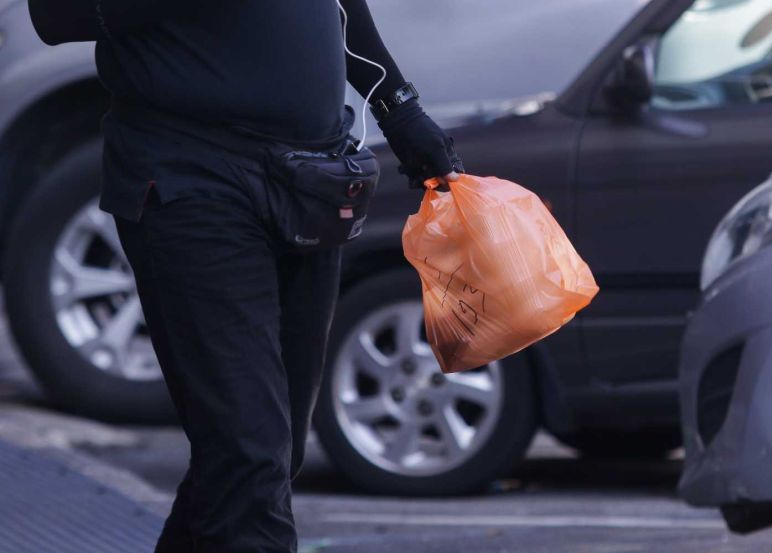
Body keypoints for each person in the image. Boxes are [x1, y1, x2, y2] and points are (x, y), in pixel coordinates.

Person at [28, 1, 463, 551]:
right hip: (191, 180)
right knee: (249, 453)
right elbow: (55, 16)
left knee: (265, 458)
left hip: (313, 181)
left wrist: (400, 110)